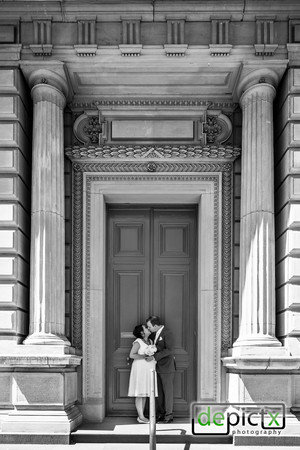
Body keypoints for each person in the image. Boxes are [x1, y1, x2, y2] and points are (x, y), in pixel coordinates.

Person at [146, 315, 176, 423]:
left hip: (167, 367)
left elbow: (169, 350)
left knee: (168, 392)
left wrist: (154, 356)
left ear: (155, 325)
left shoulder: (167, 332)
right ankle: (161, 413)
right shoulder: (155, 334)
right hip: (157, 367)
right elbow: (158, 347)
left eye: (149, 327)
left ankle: (169, 415)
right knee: (159, 392)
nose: (148, 328)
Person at [128, 324, 158, 423]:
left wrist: (152, 357)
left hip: (148, 369)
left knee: (145, 392)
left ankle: (142, 416)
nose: (148, 328)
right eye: (146, 327)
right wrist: (145, 356)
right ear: (142, 332)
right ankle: (141, 417)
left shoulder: (150, 341)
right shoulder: (138, 342)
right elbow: (132, 355)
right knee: (139, 393)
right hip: (140, 369)